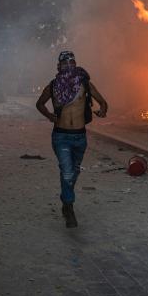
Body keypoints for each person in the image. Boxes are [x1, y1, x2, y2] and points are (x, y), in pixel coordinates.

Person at [36, 51, 108, 228]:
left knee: (73, 172)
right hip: (61, 136)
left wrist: (102, 111)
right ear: (59, 66)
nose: (68, 66)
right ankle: (69, 208)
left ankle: (65, 198)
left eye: (71, 62)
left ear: (75, 63)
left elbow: (103, 102)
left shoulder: (84, 83)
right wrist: (50, 116)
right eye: (64, 63)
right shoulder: (54, 86)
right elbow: (39, 104)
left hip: (80, 137)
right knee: (67, 171)